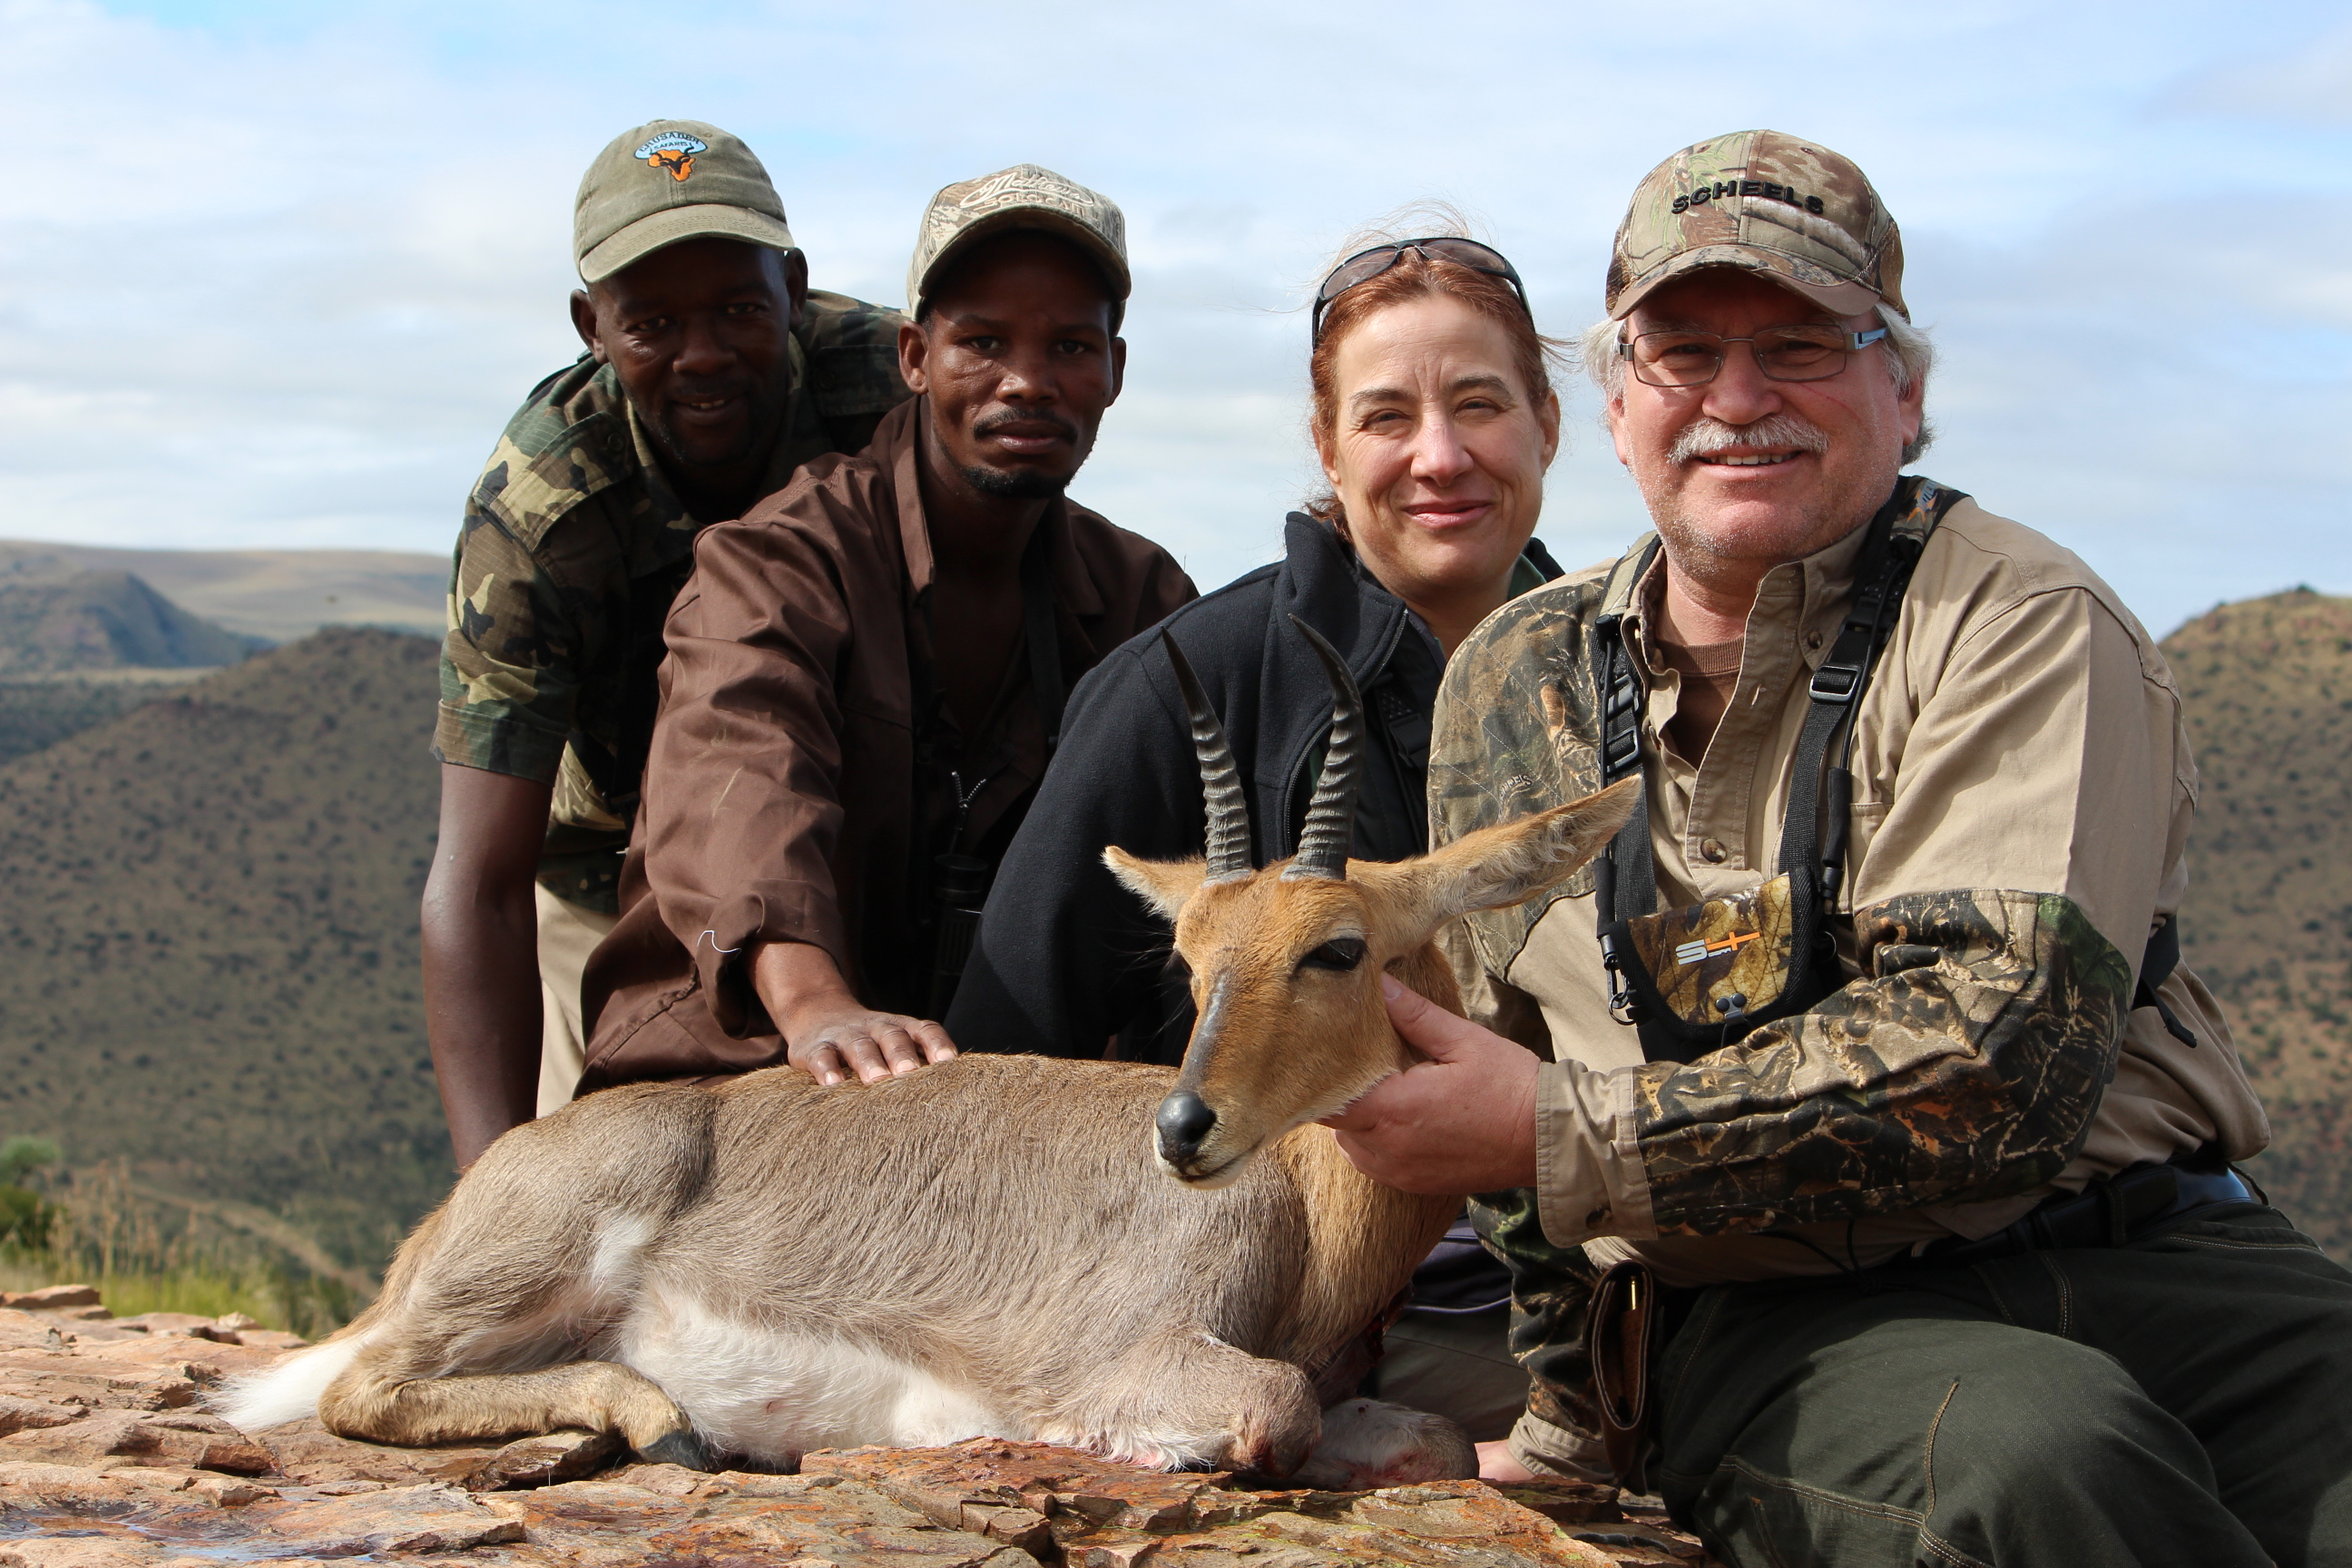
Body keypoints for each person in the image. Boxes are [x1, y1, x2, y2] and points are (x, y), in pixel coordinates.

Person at [1324, 131, 2352, 1566]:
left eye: (1801, 345)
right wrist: (1568, 1418)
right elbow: (1497, 1088)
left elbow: (2000, 1066)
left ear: (1906, 389)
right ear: (1616, 405)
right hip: (1766, 1315)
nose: (1738, 400)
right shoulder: (1517, 683)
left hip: (2160, 1254)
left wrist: (1563, 1130)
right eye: (1681, 353)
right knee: (2033, 1469)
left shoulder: (2020, 621)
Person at [947, 219, 1564, 1442]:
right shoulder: (1185, 684)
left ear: (1548, 422)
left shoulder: (1625, 684)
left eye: (1481, 406)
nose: (1438, 456)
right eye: (1386, 417)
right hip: (1269, 1322)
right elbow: (997, 1070)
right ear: (1328, 447)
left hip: (1586, 1287)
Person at [576, 164, 1195, 1095]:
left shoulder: (1142, 595)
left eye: (1071, 345)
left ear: (1113, 370)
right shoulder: (775, 562)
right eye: (982, 343)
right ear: (914, 357)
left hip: (997, 1091)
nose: (1028, 382)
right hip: (742, 1076)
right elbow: (740, 778)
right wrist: (816, 1005)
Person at [423, 119, 913, 1167]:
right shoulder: (540, 512)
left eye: (740, 309)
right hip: (603, 866)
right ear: (589, 326)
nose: (703, 355)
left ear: (795, 285)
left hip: (843, 828)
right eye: (651, 323)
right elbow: (481, 880)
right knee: (588, 1193)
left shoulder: (894, 389)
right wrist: (487, 1189)